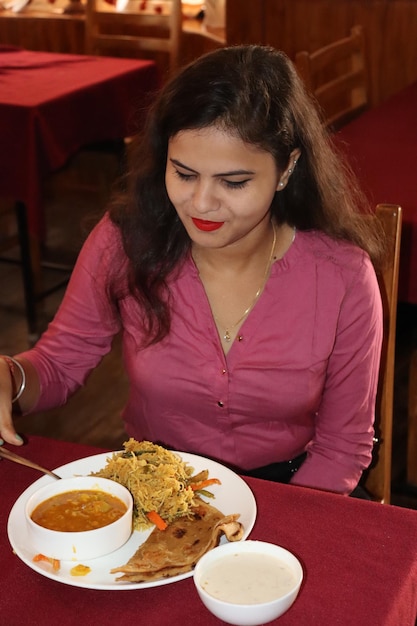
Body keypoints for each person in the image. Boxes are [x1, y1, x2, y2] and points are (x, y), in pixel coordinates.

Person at [0, 45, 384, 496]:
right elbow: (59, 365)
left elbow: (342, 447)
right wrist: (8, 376)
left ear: (287, 169)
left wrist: (258, 532)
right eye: (183, 174)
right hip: (157, 484)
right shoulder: (126, 241)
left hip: (295, 488)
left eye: (233, 182)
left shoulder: (341, 276)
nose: (201, 204)